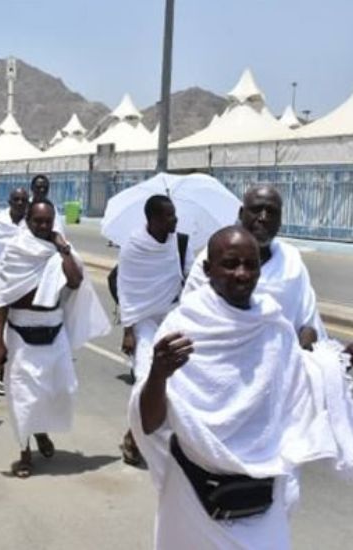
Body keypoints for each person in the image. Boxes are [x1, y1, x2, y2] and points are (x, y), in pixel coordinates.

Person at [129, 226, 353, 550]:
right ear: (207, 270)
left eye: (251, 264)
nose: (242, 273)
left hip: (262, 496)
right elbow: (149, 423)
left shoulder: (273, 325)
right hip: (193, 495)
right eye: (230, 263)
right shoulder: (183, 326)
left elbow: (305, 382)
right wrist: (158, 375)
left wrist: (340, 363)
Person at [0, 200, 109, 477]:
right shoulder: (16, 250)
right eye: (37, 221)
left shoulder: (59, 251)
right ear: (28, 221)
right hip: (21, 333)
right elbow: (2, 300)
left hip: (53, 331)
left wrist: (62, 247)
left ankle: (41, 430)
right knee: (22, 396)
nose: (43, 226)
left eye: (48, 221)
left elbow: (76, 281)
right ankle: (24, 451)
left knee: (59, 390)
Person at [184, 185, 325, 347]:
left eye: (271, 212)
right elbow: (190, 315)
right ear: (241, 214)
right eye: (256, 209)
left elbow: (308, 322)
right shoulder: (214, 255)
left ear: (280, 221)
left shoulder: (292, 261)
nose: (263, 217)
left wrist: (306, 341)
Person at [116, 195, 192, 466]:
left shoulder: (180, 243)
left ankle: (143, 435)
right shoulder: (133, 247)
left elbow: (191, 279)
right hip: (144, 319)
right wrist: (128, 330)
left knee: (181, 379)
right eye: (169, 216)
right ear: (153, 219)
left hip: (173, 315)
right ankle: (135, 436)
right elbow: (126, 289)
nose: (175, 220)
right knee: (145, 375)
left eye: (175, 214)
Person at [0, 187, 29, 396]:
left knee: (20, 337)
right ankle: (2, 375)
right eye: (16, 199)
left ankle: (13, 377)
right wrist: (2, 279)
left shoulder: (32, 223)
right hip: (2, 284)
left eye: (23, 200)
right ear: (9, 201)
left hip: (26, 287)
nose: (19, 203)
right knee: (3, 335)